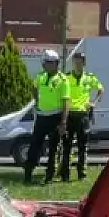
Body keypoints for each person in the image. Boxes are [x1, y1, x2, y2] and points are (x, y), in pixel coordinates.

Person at [22, 50, 69, 184]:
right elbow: (34, 87)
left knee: (53, 149)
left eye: (49, 63)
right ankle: (28, 174)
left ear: (56, 63)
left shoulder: (63, 80)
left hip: (55, 117)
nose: (46, 65)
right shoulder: (40, 77)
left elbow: (66, 102)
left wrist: (63, 122)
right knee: (34, 146)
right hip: (42, 117)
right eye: (45, 63)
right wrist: (37, 101)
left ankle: (49, 177)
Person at [62, 51, 103, 181]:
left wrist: (94, 103)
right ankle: (65, 174)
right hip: (70, 115)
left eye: (80, 62)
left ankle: (82, 174)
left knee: (82, 146)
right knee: (66, 146)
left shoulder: (89, 78)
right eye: (76, 62)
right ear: (73, 63)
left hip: (83, 115)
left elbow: (101, 89)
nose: (78, 64)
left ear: (84, 63)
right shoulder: (66, 77)